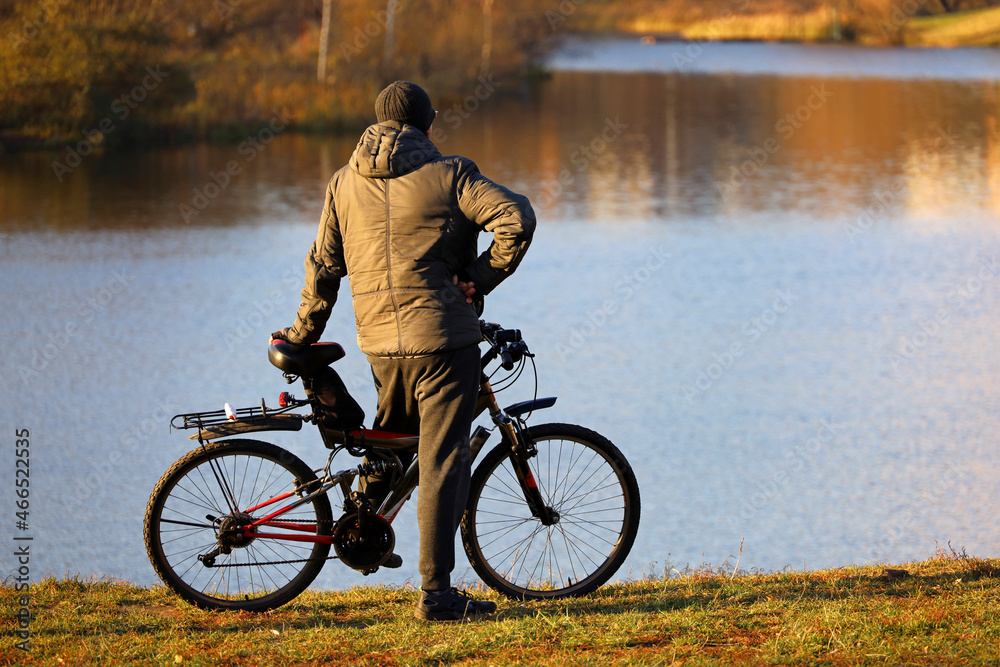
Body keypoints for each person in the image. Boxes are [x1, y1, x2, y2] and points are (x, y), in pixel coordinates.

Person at [272, 80, 535, 621]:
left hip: (379, 344)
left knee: (395, 446)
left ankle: (366, 532)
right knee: (442, 460)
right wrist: (480, 278)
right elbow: (516, 217)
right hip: (443, 341)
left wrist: (300, 334)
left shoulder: (343, 183)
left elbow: (323, 268)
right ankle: (437, 596)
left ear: (376, 123)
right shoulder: (452, 174)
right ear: (429, 124)